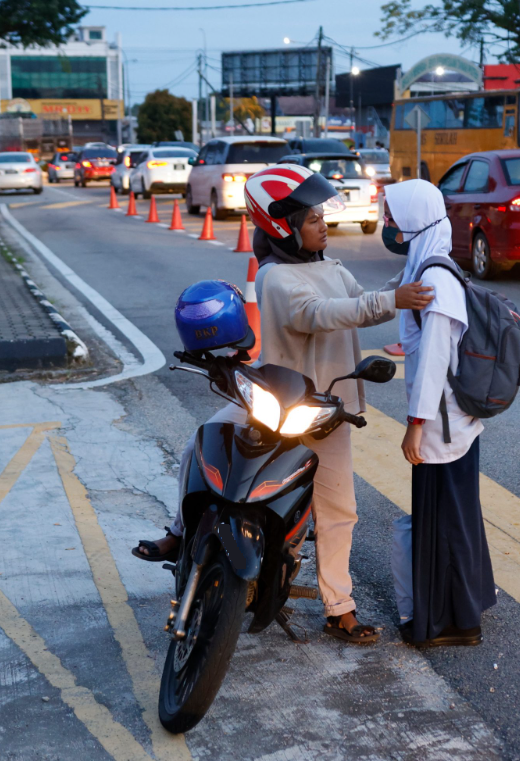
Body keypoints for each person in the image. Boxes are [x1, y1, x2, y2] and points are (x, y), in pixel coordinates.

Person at [134, 164, 434, 644]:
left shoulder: (332, 267)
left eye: (320, 215)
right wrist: (394, 299)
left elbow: (361, 300)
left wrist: (416, 270)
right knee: (201, 444)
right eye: (312, 218)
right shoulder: (274, 276)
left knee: (340, 510)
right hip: (274, 400)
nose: (322, 224)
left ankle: (340, 607)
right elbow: (319, 315)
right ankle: (179, 530)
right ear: (283, 227)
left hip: (326, 408)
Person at [383, 179, 497, 648]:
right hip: (453, 423)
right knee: (455, 515)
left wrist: (414, 426)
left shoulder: (434, 281)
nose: (388, 225)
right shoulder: (430, 268)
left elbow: (432, 361)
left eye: (393, 217)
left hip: (441, 426)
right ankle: (465, 608)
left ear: (414, 221)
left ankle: (455, 622)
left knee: (442, 521)